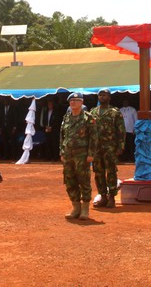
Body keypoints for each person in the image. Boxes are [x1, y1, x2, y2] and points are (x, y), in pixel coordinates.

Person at [59, 92, 97, 220]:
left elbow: (93, 137)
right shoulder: (66, 117)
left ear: (81, 103)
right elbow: (62, 136)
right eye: (71, 101)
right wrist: (62, 151)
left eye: (76, 100)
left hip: (82, 154)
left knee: (83, 180)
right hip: (68, 154)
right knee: (69, 180)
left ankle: (85, 209)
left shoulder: (88, 118)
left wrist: (91, 154)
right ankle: (76, 207)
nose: (73, 102)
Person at [89, 88, 125, 209]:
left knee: (111, 172)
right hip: (96, 148)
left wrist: (120, 146)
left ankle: (112, 198)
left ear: (109, 97)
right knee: (98, 173)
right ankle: (103, 196)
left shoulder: (115, 112)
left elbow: (121, 131)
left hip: (110, 147)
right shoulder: (92, 112)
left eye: (104, 95)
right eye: (100, 95)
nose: (102, 97)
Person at [119, 97, 137, 162]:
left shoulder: (132, 110)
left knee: (131, 145)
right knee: (124, 145)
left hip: (130, 130)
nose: (125, 103)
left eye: (126, 102)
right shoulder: (120, 110)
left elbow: (136, 120)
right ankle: (124, 158)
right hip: (122, 131)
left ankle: (132, 158)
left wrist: (135, 129)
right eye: (124, 102)